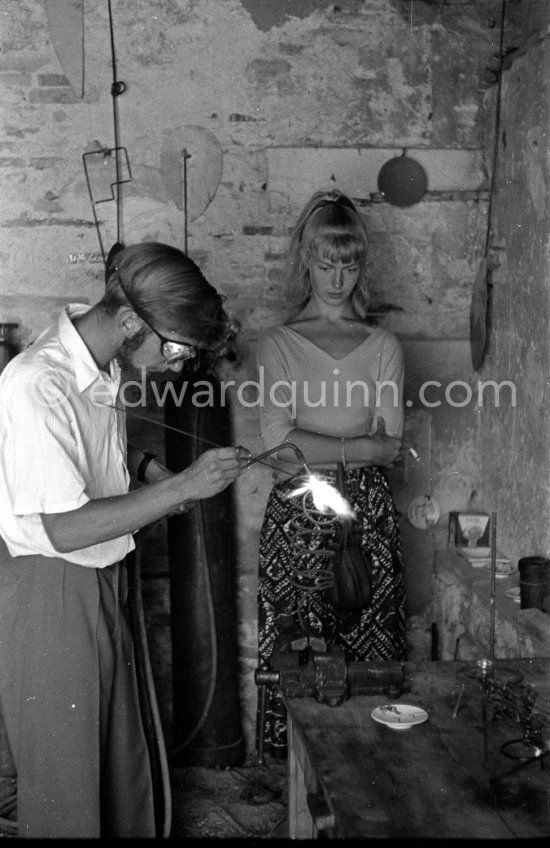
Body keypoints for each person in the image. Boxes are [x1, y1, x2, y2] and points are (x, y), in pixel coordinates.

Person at [0, 242, 248, 838]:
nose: (175, 363)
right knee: (68, 787)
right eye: (174, 347)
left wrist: (146, 471)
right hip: (52, 593)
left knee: (120, 768)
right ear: (134, 321)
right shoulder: (37, 382)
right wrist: (184, 485)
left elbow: (82, 457)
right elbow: (63, 526)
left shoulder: (101, 365)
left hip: (104, 578)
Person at [256, 189, 407, 759]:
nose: (337, 278)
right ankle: (299, 791)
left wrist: (325, 445)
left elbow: (390, 448)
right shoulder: (278, 343)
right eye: (326, 263)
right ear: (305, 262)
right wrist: (357, 446)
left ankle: (372, 778)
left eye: (349, 264)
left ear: (361, 266)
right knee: (301, 655)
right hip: (298, 516)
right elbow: (279, 447)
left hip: (367, 518)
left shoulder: (384, 344)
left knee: (371, 653)